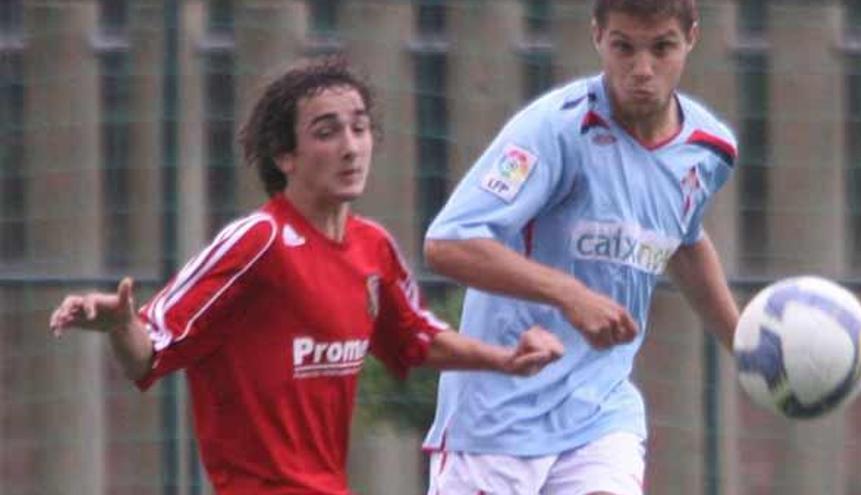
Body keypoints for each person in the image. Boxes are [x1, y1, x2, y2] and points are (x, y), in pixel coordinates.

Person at [48, 57, 563, 495]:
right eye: (327, 131)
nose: (350, 146)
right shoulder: (258, 242)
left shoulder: (373, 248)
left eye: (359, 128)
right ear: (285, 156)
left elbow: (414, 339)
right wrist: (118, 325)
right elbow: (150, 353)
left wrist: (504, 359)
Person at [421, 1, 740, 494]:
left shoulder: (709, 149)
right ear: (597, 36)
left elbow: (685, 241)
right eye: (623, 47)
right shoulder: (555, 129)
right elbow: (449, 244)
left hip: (600, 411)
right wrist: (570, 294)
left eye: (662, 48)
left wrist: (743, 341)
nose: (642, 69)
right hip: (498, 418)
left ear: (691, 37)